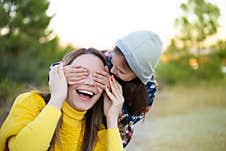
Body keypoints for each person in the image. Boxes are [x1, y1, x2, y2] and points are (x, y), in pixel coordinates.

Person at [0, 48, 124, 151]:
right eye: (80, 73)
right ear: (62, 75)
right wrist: (57, 98)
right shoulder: (31, 101)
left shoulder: (99, 130)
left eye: (98, 78)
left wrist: (112, 119)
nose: (90, 82)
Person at [65, 31, 163, 147]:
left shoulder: (148, 91)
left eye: (120, 71)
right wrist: (64, 72)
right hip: (87, 115)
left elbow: (127, 124)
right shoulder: (106, 56)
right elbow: (58, 67)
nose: (112, 71)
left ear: (138, 75)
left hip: (113, 128)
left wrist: (118, 105)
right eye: (113, 63)